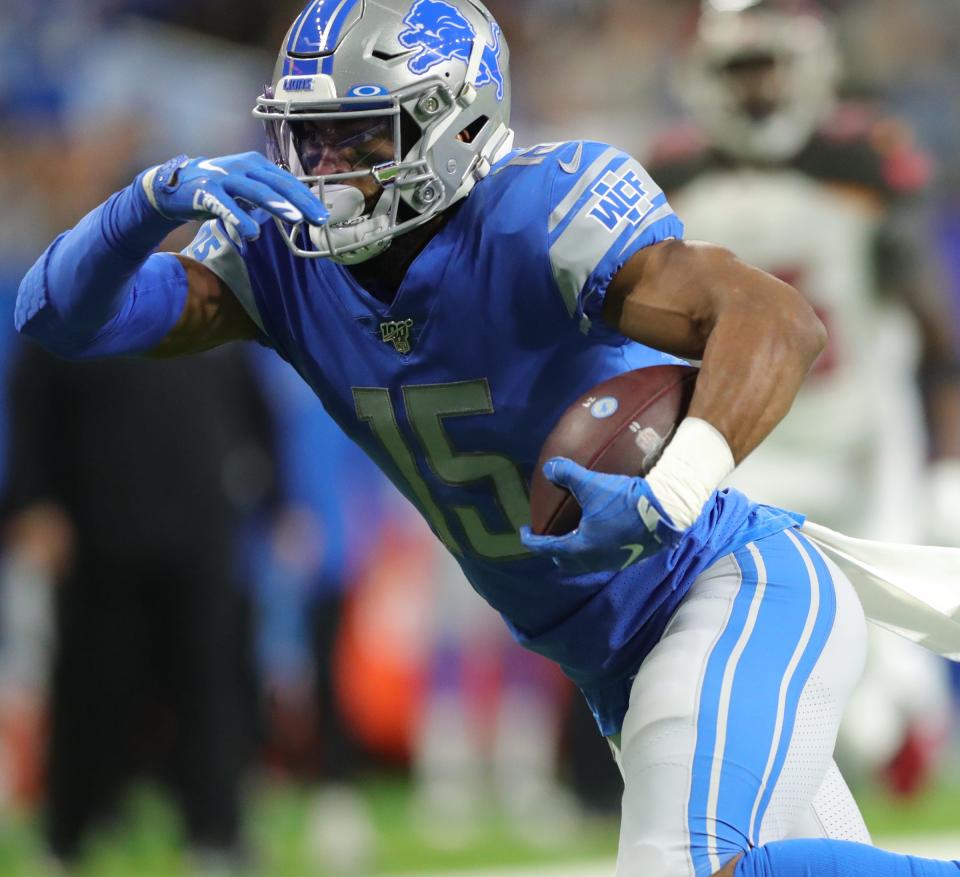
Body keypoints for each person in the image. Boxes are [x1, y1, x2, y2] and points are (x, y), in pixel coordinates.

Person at [13, 1, 960, 874]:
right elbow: (58, 315)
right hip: (615, 656)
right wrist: (147, 203)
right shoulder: (279, 263)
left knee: (690, 864)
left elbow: (776, 320)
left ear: (455, 127)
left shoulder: (535, 213)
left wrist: (671, 489)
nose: (319, 172)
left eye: (354, 139)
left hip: (722, 588)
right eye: (305, 139)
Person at [648, 1, 959, 796]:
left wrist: (945, 450)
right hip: (756, 441)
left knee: (896, 646)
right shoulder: (673, 175)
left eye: (771, 66)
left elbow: (926, 319)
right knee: (789, 642)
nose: (759, 89)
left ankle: (900, 740)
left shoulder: (864, 159)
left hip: (865, 435)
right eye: (740, 70)